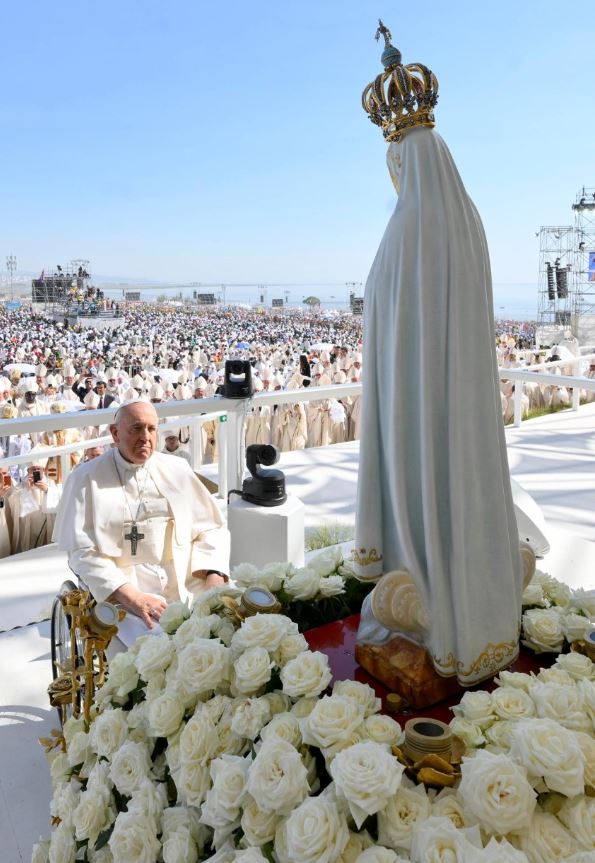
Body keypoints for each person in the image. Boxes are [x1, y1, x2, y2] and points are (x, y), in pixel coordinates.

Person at [354, 25, 522, 685]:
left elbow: (391, 328)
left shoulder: (404, 233)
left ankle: (430, 616)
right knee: (464, 484)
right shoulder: (467, 220)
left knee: (423, 495)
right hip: (463, 400)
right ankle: (478, 621)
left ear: (404, 158)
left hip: (414, 406)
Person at [53, 401, 230, 636]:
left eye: (151, 429)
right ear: (115, 433)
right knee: (155, 646)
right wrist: (132, 596)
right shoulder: (85, 478)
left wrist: (213, 577)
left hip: (188, 578)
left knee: (228, 624)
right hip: (123, 589)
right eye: (136, 428)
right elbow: (82, 551)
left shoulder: (178, 468)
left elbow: (212, 528)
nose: (145, 437)